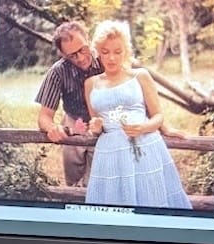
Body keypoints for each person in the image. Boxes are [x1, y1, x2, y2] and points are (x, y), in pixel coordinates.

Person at [83, 21, 191, 210]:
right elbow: (95, 125)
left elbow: (158, 116)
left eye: (118, 51)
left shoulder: (140, 76)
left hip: (144, 147)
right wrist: (95, 127)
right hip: (109, 153)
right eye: (105, 52)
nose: (111, 58)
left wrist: (143, 128)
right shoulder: (90, 84)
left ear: (126, 51)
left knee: (150, 199)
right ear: (97, 52)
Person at [34, 21, 104, 187]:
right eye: (72, 55)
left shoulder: (106, 59)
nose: (80, 58)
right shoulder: (58, 71)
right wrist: (52, 128)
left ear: (88, 39)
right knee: (74, 183)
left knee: (99, 180)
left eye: (82, 49)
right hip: (74, 121)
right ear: (62, 54)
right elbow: (44, 116)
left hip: (105, 122)